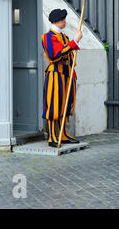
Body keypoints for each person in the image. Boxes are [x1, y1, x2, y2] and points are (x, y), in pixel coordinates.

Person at [42, 9, 83, 147]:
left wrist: (72, 43)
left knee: (66, 103)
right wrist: (74, 42)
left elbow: (68, 53)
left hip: (67, 73)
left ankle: (63, 134)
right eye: (62, 19)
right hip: (55, 74)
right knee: (54, 104)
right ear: (56, 21)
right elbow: (56, 55)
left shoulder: (64, 37)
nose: (65, 21)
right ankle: (53, 136)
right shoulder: (47, 37)